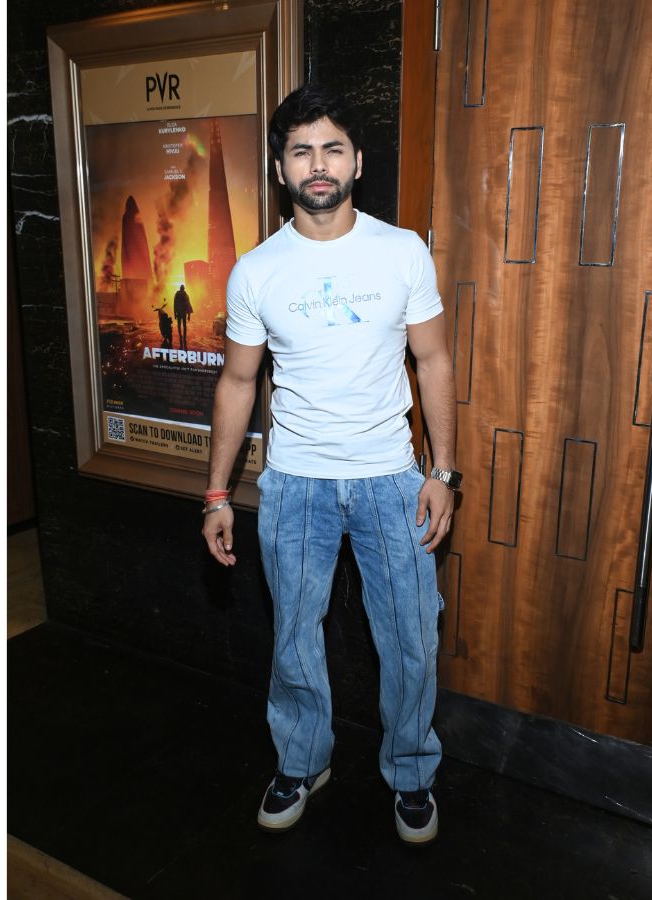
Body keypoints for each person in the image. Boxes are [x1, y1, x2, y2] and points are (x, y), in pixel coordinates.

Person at [201, 84, 461, 845]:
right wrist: (216, 493)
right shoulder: (256, 271)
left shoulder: (401, 251)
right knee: (293, 637)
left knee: (411, 639)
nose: (318, 164)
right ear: (282, 168)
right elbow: (238, 382)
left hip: (390, 479)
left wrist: (443, 472)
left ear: (357, 162)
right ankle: (300, 761)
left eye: (332, 149)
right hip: (295, 483)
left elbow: (434, 360)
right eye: (301, 151)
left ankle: (410, 772)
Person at [174, 283, 193, 350]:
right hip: (183, 313)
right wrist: (189, 315)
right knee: (183, 325)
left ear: (180, 288)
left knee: (180, 325)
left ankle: (181, 336)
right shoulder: (185, 295)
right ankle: (183, 337)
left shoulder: (177, 294)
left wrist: (175, 313)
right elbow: (188, 305)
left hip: (179, 313)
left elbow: (175, 304)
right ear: (183, 289)